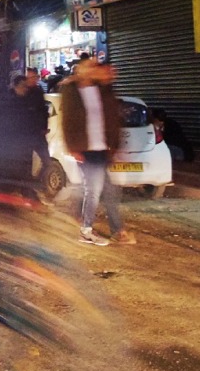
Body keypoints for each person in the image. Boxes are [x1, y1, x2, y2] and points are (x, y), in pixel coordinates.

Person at [59, 57, 136, 246]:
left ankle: (117, 230)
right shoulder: (71, 91)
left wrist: (114, 146)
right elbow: (66, 121)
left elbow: (111, 119)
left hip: (102, 148)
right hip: (85, 149)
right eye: (89, 66)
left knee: (109, 190)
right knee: (93, 190)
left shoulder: (101, 90)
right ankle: (86, 231)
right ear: (80, 70)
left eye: (95, 66)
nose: (94, 69)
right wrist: (71, 147)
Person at [22, 68, 51, 175]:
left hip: (38, 133)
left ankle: (42, 178)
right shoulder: (23, 93)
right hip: (27, 133)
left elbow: (44, 111)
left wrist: (44, 127)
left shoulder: (38, 92)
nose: (33, 80)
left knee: (47, 160)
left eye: (35, 77)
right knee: (27, 161)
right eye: (30, 77)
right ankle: (27, 186)